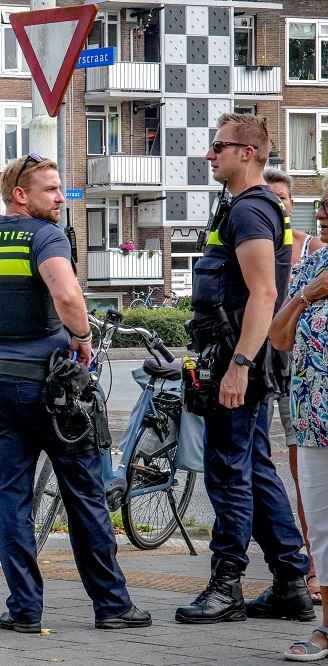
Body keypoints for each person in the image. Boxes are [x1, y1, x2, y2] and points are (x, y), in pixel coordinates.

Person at [0, 153, 151, 632]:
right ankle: (112, 606)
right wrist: (83, 338)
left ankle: (24, 610)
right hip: (53, 390)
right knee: (84, 495)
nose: (60, 197)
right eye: (51, 189)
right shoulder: (46, 236)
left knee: (12, 501)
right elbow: (67, 296)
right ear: (20, 195)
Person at [176, 113, 313, 625]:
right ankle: (289, 581)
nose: (211, 155)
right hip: (239, 353)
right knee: (254, 467)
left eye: (219, 147)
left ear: (246, 153)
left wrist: (238, 366)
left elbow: (264, 292)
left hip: (239, 356)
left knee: (228, 471)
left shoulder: (251, 211)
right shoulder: (238, 206)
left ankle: (227, 583)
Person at [271, 182, 328, 661]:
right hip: (314, 417)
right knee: (324, 528)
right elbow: (280, 337)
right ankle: (327, 629)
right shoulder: (312, 264)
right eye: (322, 204)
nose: (323, 212)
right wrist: (307, 294)